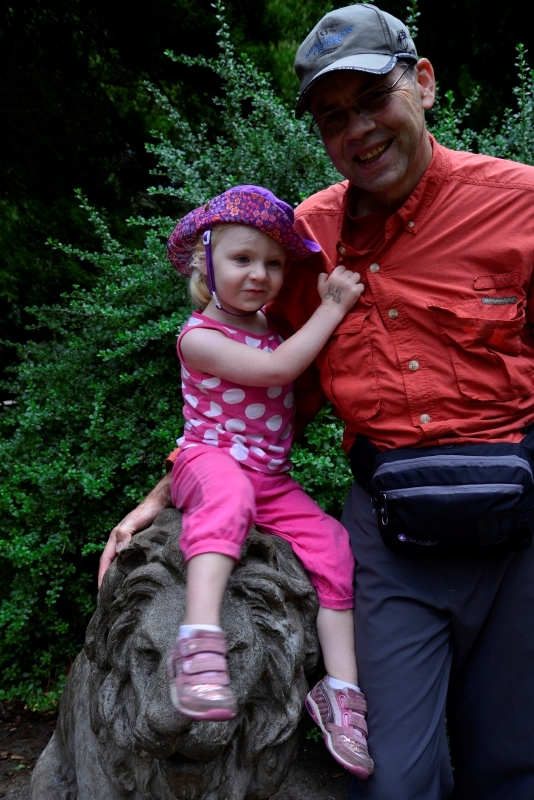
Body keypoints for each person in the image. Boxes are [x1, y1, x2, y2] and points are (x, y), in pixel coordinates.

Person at [99, 6, 534, 799]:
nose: (357, 129)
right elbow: (266, 399)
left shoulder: (520, 202)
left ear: (423, 82)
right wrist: (162, 496)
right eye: (333, 118)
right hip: (392, 534)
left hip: (520, 524)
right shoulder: (305, 242)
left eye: (372, 99)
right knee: (395, 779)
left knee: (516, 762)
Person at [158, 184, 373, 778]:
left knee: (333, 546)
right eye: (242, 259)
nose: (259, 274)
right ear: (205, 263)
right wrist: (333, 306)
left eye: (274, 263)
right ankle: (198, 643)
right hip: (209, 461)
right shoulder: (200, 337)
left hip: (269, 479)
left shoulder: (266, 325)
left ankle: (341, 692)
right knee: (227, 497)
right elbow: (280, 370)